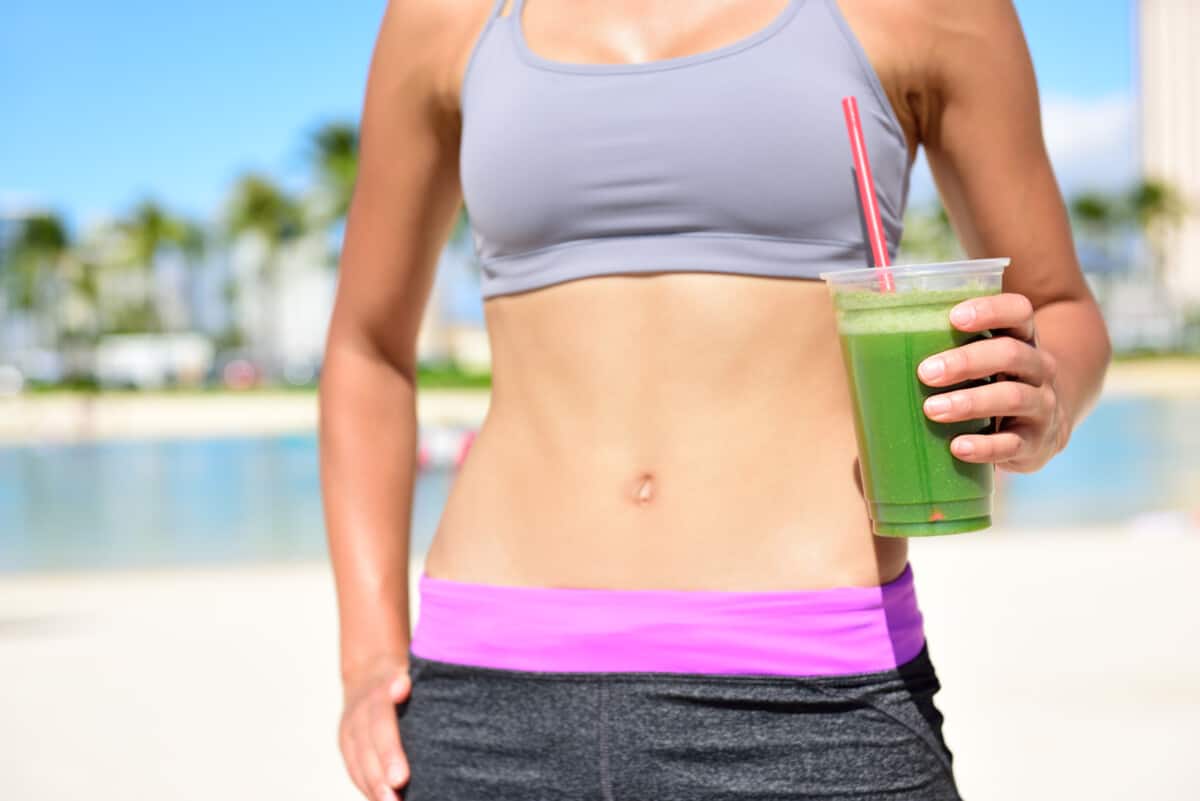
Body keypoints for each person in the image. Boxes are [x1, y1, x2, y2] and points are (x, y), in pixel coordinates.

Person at [318, 1, 1111, 799]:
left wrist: (1049, 397)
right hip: (484, 692)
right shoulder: (446, 16)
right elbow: (367, 348)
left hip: (814, 691)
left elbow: (1060, 308)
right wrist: (368, 656)